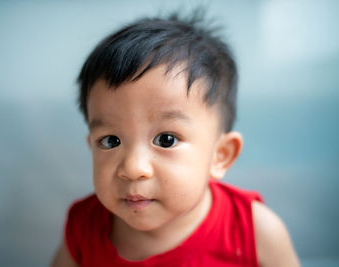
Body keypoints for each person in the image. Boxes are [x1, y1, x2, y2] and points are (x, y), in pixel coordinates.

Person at [52, 12, 300, 267]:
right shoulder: (83, 226)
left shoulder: (256, 233)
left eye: (166, 139)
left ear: (221, 155)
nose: (133, 168)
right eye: (110, 141)